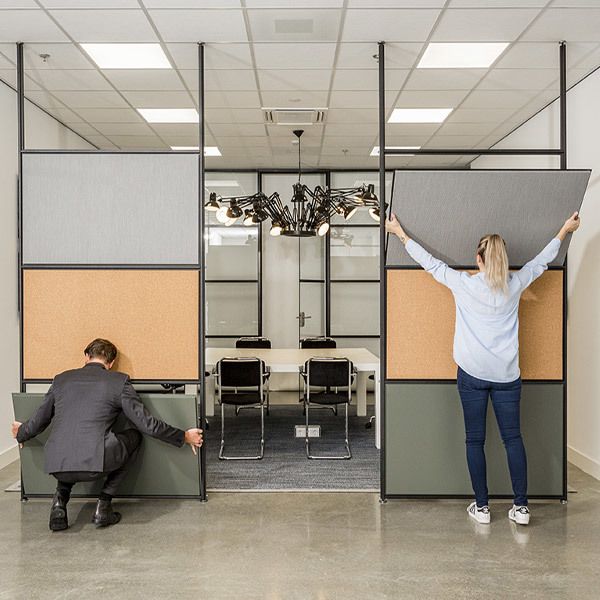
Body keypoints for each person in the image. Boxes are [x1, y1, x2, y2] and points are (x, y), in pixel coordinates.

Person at [386, 211, 581, 526]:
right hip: (507, 377)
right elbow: (542, 261)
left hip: (473, 376)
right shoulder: (515, 284)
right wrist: (564, 229)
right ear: (502, 258)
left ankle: (483, 507)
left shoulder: (464, 285)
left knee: (474, 440)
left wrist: (399, 233)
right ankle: (520, 508)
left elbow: (430, 263)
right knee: (513, 439)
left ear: (478, 259)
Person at [11, 338, 203, 531]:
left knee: (71, 442)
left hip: (56, 463)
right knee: (134, 436)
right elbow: (147, 424)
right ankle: (103, 504)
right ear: (110, 363)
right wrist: (184, 436)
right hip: (98, 464)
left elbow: (39, 420)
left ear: (86, 356)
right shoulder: (119, 382)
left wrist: (21, 433)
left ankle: (59, 503)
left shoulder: (60, 380)